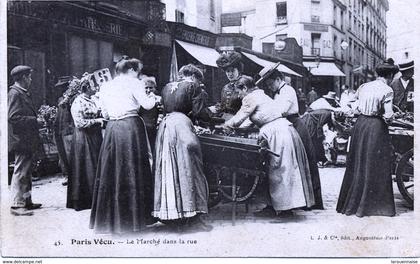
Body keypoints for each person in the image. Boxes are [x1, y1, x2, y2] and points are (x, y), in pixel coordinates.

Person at [222, 76, 315, 216]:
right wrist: (237, 128)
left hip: (278, 134)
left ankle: (285, 209)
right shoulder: (260, 95)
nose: (239, 96)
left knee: (280, 170)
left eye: (239, 92)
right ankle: (274, 206)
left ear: (245, 88)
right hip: (279, 130)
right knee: (275, 170)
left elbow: (241, 116)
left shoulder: (250, 98)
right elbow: (250, 120)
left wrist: (225, 126)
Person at [90, 57, 159, 234]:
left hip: (113, 128)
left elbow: (104, 112)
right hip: (130, 127)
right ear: (131, 70)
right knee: (133, 169)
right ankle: (135, 219)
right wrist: (152, 97)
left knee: (112, 171)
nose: (138, 74)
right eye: (138, 71)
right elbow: (147, 104)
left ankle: (111, 221)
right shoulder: (134, 83)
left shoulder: (105, 86)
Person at [256, 63, 323, 210]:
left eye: (271, 83)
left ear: (278, 79)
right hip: (286, 127)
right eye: (268, 85)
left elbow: (281, 111)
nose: (270, 87)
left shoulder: (288, 91)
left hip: (295, 126)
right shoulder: (278, 92)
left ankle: (309, 201)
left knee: (302, 163)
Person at [336, 58, 399, 217]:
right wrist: (394, 116)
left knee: (358, 162)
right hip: (375, 128)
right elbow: (388, 115)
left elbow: (352, 105)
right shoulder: (387, 90)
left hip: (360, 125)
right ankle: (373, 205)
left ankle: (353, 203)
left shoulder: (364, 86)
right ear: (390, 75)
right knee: (375, 163)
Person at [153, 64, 212, 231]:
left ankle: (172, 215)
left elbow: (164, 109)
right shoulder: (193, 86)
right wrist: (213, 115)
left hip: (165, 127)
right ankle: (195, 217)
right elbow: (200, 112)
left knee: (168, 169)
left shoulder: (166, 87)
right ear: (194, 76)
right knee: (191, 168)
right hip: (182, 127)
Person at [8, 65, 43, 216]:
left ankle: (27, 201)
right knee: (21, 171)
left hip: (27, 138)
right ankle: (17, 205)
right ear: (23, 78)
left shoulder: (22, 93)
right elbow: (13, 117)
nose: (30, 80)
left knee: (27, 171)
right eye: (29, 77)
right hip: (21, 139)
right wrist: (35, 121)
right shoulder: (15, 93)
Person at [66, 80, 104, 211]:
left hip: (95, 137)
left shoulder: (93, 99)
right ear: (86, 87)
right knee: (86, 167)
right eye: (94, 85)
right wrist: (97, 121)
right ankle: (84, 200)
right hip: (84, 138)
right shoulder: (78, 102)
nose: (96, 87)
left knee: (95, 165)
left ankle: (96, 198)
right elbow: (79, 123)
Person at [211, 52, 251, 121]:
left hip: (239, 120)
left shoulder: (245, 84)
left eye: (232, 71)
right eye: (228, 71)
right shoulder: (225, 88)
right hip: (224, 119)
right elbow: (223, 105)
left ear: (238, 70)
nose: (230, 74)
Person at [54, 77, 79, 185]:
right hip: (60, 129)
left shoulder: (73, 99)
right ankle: (66, 175)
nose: (61, 89)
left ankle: (73, 176)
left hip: (69, 129)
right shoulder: (60, 99)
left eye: (63, 87)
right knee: (63, 154)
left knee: (70, 154)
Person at [139, 77, 161, 153]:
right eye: (146, 88)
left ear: (155, 88)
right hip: (141, 129)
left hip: (154, 129)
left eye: (151, 88)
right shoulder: (139, 100)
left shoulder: (158, 99)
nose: (148, 90)